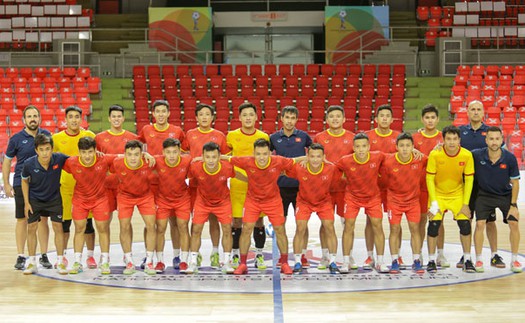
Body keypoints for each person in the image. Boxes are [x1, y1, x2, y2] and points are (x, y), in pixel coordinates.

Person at [229, 139, 302, 275]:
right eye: (258, 154)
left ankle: (285, 263)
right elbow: (228, 159)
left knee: (280, 230)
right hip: (253, 201)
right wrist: (202, 158)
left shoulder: (278, 161)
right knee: (246, 230)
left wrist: (310, 157)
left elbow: (295, 160)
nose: (261, 157)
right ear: (253, 153)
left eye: (264, 154)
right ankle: (243, 264)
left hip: (273, 201)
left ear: (270, 153)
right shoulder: (246, 161)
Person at [3, 105, 52, 270]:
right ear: (24, 120)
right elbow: (7, 161)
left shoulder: (47, 135)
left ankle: (44, 255)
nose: (33, 119)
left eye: (35, 116)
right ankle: (21, 256)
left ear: (39, 118)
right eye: (29, 116)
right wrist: (7, 183)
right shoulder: (16, 139)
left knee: (43, 220)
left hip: (43, 185)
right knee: (22, 220)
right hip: (20, 184)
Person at [138, 99, 185, 269]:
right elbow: (137, 147)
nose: (160, 114)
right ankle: (149, 255)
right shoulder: (146, 130)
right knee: (151, 224)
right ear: (153, 114)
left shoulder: (177, 131)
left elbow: (184, 150)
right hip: (151, 183)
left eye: (163, 111)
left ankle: (177, 256)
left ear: (168, 113)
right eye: (157, 111)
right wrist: (145, 154)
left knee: (174, 223)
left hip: (172, 182)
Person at [182, 103, 229, 269]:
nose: (204, 117)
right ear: (196, 117)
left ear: (212, 117)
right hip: (195, 185)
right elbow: (183, 153)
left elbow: (224, 158)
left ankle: (215, 253)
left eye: (207, 114)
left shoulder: (219, 135)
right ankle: (196, 255)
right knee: (196, 223)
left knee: (215, 220)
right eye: (201, 114)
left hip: (214, 186)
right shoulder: (190, 134)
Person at [336, 133, 389, 273]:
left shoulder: (378, 156)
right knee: (348, 226)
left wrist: (414, 151)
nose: (361, 149)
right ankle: (346, 262)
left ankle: (380, 261)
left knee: (378, 226)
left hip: (373, 198)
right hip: (352, 198)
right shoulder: (345, 160)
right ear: (353, 147)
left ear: (369, 147)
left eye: (364, 146)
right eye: (358, 146)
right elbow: (333, 169)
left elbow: (396, 157)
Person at [471, 127, 522, 273]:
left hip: (504, 195)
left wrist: (513, 205)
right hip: (484, 195)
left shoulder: (510, 158)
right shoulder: (476, 155)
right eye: (491, 139)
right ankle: (479, 259)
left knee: (513, 222)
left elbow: (515, 183)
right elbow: (458, 154)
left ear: (502, 140)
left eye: (497, 139)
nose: (494, 142)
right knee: (480, 224)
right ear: (486, 140)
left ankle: (514, 259)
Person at [426, 125, 475, 273]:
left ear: (459, 140)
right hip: (438, 195)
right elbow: (429, 178)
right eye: (448, 139)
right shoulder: (435, 154)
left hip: (457, 195)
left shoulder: (466, 155)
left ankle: (467, 259)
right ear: (443, 140)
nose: (452, 142)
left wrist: (466, 204)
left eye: (455, 139)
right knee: (434, 225)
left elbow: (469, 181)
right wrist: (434, 202)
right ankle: (431, 260)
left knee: (465, 225)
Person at [457, 100, 501, 268]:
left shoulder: (490, 132)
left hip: (485, 186)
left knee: (489, 222)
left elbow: (499, 154)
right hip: (465, 185)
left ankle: (495, 255)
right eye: (472, 109)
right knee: (465, 220)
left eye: (478, 109)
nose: (475, 112)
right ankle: (466, 255)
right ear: (467, 112)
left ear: (483, 113)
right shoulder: (460, 132)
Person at [186, 142, 240, 274]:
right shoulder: (195, 167)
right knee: (196, 229)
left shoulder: (227, 167)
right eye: (208, 157)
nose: (211, 160)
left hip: (223, 202)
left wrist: (254, 181)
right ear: (202, 157)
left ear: (219, 157)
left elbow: (237, 175)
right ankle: (193, 262)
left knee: (227, 229)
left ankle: (227, 262)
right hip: (202, 202)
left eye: (214, 157)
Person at [226, 102, 269, 269]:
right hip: (237, 184)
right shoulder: (231, 136)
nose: (248, 118)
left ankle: (259, 254)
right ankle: (236, 255)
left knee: (259, 221)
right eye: (245, 115)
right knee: (236, 221)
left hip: (258, 185)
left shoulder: (263, 137)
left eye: (251, 114)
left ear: (256, 117)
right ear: (239, 118)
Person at [52, 106, 96, 268]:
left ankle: (90, 256)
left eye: (77, 117)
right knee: (65, 225)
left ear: (81, 119)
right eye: (71, 117)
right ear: (65, 119)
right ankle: (62, 257)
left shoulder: (89, 136)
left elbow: (98, 157)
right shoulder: (56, 138)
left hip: (87, 189)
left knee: (88, 225)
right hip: (65, 189)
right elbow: (52, 160)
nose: (74, 120)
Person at [285, 143, 339, 274]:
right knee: (300, 227)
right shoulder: (299, 168)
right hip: (304, 202)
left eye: (318, 156)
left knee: (329, 227)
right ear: (307, 157)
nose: (315, 159)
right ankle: (297, 261)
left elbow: (344, 176)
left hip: (323, 202)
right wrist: (299, 159)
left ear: (323, 157)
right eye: (312, 156)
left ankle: (332, 261)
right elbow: (283, 167)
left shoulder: (331, 168)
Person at [269, 106, 312, 267]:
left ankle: (303, 254)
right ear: (281, 119)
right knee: (280, 223)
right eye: (287, 117)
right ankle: (283, 255)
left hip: (301, 187)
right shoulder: (273, 138)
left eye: (293, 118)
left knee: (302, 224)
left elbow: (313, 155)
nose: (289, 121)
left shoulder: (304, 136)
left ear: (296, 120)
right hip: (279, 187)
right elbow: (265, 157)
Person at [62, 137, 112, 275]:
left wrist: (145, 154)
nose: (87, 156)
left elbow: (123, 156)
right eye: (84, 152)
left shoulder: (104, 160)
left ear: (96, 151)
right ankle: (77, 261)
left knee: (103, 228)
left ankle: (105, 261)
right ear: (79, 152)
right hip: (80, 200)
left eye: (90, 152)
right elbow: (54, 158)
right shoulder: (71, 162)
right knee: (79, 229)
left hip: (100, 200)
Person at [313, 105, 354, 269]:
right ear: (327, 119)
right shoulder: (319, 138)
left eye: (338, 116)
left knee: (347, 224)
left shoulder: (352, 138)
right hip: (325, 189)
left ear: (344, 119)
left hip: (346, 189)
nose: (335, 119)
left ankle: (348, 256)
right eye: (332, 116)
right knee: (325, 224)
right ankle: (325, 256)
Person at [21, 134, 68, 275]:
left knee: (58, 227)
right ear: (36, 150)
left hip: (54, 199)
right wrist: (26, 202)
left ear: (52, 149)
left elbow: (77, 159)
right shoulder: (29, 164)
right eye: (41, 149)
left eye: (47, 149)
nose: (45, 153)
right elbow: (24, 181)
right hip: (35, 199)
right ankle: (32, 263)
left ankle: (60, 262)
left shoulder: (59, 158)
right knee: (31, 228)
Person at [380, 133, 426, 274]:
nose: (405, 149)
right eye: (402, 146)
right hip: (394, 201)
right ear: (396, 147)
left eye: (408, 146)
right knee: (394, 229)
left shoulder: (421, 159)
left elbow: (437, 157)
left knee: (415, 229)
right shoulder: (388, 160)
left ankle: (416, 261)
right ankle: (394, 261)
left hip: (413, 201)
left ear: (413, 147)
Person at [110, 140, 157, 275]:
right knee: (124, 226)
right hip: (125, 196)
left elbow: (170, 158)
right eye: (129, 154)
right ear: (124, 154)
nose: (133, 158)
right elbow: (100, 157)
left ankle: (149, 260)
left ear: (141, 154)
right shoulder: (117, 162)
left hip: (145, 196)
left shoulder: (149, 161)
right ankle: (129, 260)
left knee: (151, 225)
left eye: (136, 154)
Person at [365, 104, 401, 269]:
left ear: (392, 119)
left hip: (393, 185)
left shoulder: (399, 137)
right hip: (372, 186)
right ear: (376, 119)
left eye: (388, 115)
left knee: (396, 223)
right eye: (382, 115)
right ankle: (370, 256)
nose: (385, 118)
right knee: (371, 221)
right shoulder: (367, 137)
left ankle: (397, 254)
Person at [412, 104, 448, 267]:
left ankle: (440, 254)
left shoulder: (445, 138)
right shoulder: (414, 138)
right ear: (422, 119)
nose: (430, 120)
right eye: (427, 117)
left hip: (438, 186)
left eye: (433, 117)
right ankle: (417, 253)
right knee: (420, 221)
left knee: (438, 221)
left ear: (438, 119)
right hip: (420, 186)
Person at [153, 138, 192, 273]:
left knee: (183, 226)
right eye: (168, 152)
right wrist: (145, 155)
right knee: (160, 228)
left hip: (182, 199)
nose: (171, 155)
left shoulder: (187, 160)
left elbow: (201, 159)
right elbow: (138, 159)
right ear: (163, 152)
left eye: (175, 152)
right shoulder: (156, 160)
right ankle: (159, 261)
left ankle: (184, 261)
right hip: (163, 199)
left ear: (179, 152)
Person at [95, 104, 138, 216]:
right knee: (105, 221)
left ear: (123, 118)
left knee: (125, 223)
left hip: (124, 186)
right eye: (114, 116)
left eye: (119, 116)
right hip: (105, 186)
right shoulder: (99, 138)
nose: (116, 119)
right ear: (109, 118)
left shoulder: (132, 137)